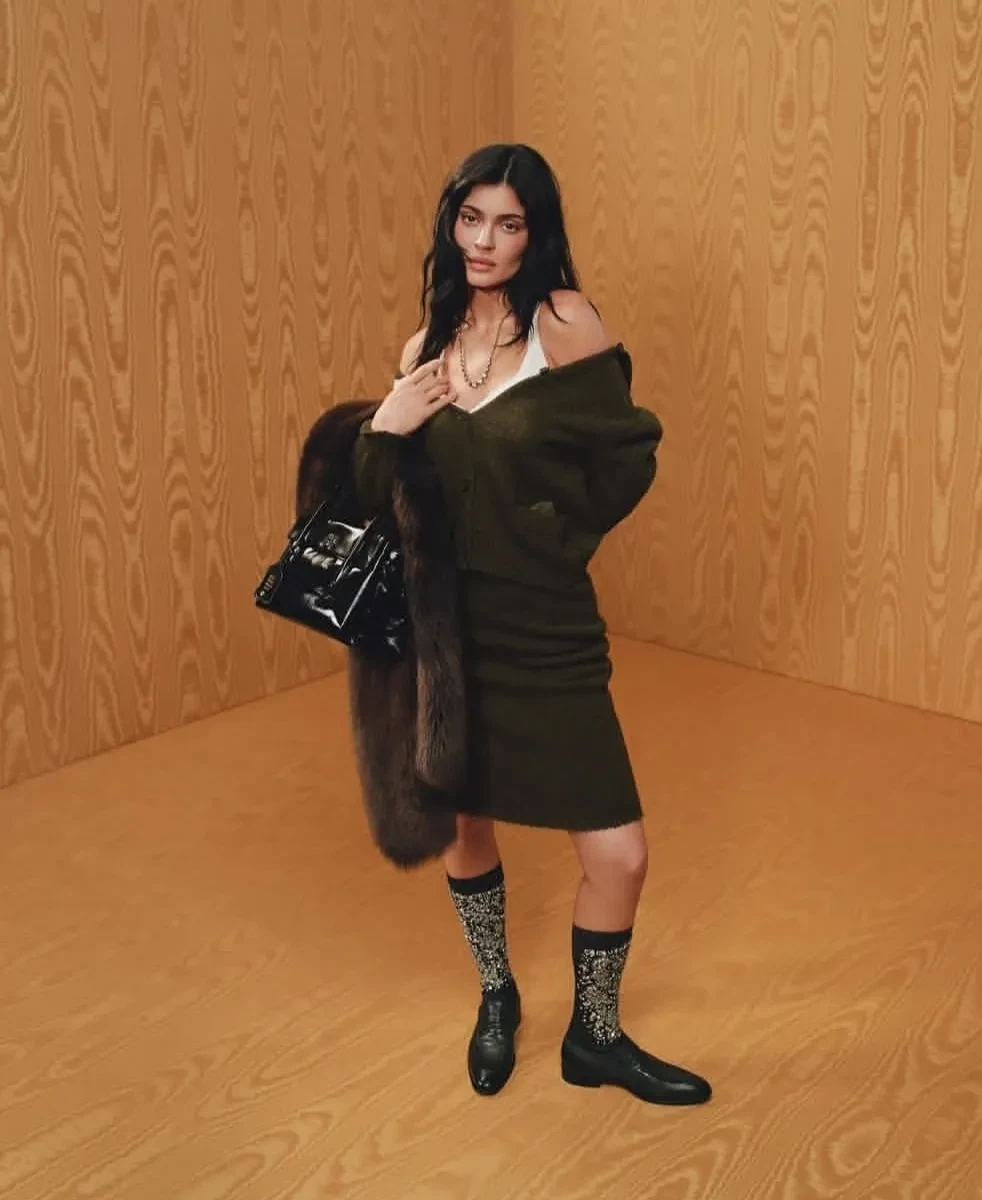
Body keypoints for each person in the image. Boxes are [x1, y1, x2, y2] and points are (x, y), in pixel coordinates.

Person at [350, 143, 711, 1106]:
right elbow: (374, 499)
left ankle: (595, 1034)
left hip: (546, 630)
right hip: (447, 636)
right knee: (465, 824)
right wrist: (385, 425)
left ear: (534, 234)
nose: (484, 240)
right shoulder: (423, 348)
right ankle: (496, 994)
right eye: (471, 218)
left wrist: (553, 531)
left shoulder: (565, 323)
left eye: (508, 223)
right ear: (451, 222)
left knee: (618, 853)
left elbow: (628, 451)